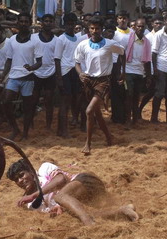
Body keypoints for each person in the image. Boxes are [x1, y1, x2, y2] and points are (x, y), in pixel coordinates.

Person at [7, 159, 139, 226]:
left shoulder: (43, 169)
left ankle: (89, 224)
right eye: (16, 180)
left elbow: (61, 179)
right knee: (81, 213)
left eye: (21, 175)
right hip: (83, 200)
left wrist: (34, 195)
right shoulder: (30, 204)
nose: (20, 180)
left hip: (86, 182)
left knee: (61, 197)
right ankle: (123, 210)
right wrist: (56, 210)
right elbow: (52, 210)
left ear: (30, 171)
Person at [74, 16, 125, 155]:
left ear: (101, 30)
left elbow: (122, 53)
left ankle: (88, 144)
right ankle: (109, 137)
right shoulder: (82, 45)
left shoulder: (109, 44)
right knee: (97, 114)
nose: (94, 31)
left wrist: (123, 72)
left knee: (89, 111)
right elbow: (77, 62)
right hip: (88, 81)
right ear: (88, 29)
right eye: (92, 28)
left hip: (103, 81)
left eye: (97, 28)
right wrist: (80, 74)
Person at [0, 12, 43, 140]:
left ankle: (25, 133)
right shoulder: (12, 40)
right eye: (21, 21)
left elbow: (39, 62)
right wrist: (3, 74)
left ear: (29, 23)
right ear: (17, 23)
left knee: (27, 107)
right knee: (6, 101)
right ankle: (15, 128)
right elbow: (9, 60)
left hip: (28, 78)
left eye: (26, 21)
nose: (23, 24)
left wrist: (31, 68)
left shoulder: (35, 40)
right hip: (13, 76)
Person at [55, 13, 86, 138]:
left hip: (75, 71)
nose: (70, 26)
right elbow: (57, 59)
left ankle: (61, 129)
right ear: (65, 24)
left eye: (72, 23)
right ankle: (63, 130)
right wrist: (59, 78)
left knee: (74, 100)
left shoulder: (77, 39)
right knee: (65, 102)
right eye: (68, 23)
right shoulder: (61, 39)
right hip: (64, 72)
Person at [32, 14, 58, 132]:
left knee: (49, 100)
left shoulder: (57, 40)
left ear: (53, 23)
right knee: (33, 100)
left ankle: (48, 126)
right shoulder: (33, 38)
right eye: (45, 21)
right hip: (35, 72)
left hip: (51, 73)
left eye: (50, 21)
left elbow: (57, 59)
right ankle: (31, 123)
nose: (48, 23)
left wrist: (58, 76)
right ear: (41, 22)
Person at [124, 18, 152, 126]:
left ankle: (135, 120)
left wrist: (148, 77)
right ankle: (127, 120)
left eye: (142, 26)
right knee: (129, 95)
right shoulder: (127, 39)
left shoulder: (147, 42)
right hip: (128, 71)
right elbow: (121, 56)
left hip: (140, 72)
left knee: (136, 96)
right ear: (134, 27)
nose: (140, 28)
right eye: (138, 26)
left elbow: (148, 61)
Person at [139, 15, 163, 118]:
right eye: (156, 23)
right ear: (152, 24)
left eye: (160, 23)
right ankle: (139, 110)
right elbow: (146, 55)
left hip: (163, 67)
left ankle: (153, 115)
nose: (158, 25)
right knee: (151, 92)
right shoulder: (148, 37)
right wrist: (149, 72)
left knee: (157, 92)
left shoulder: (163, 35)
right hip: (152, 69)